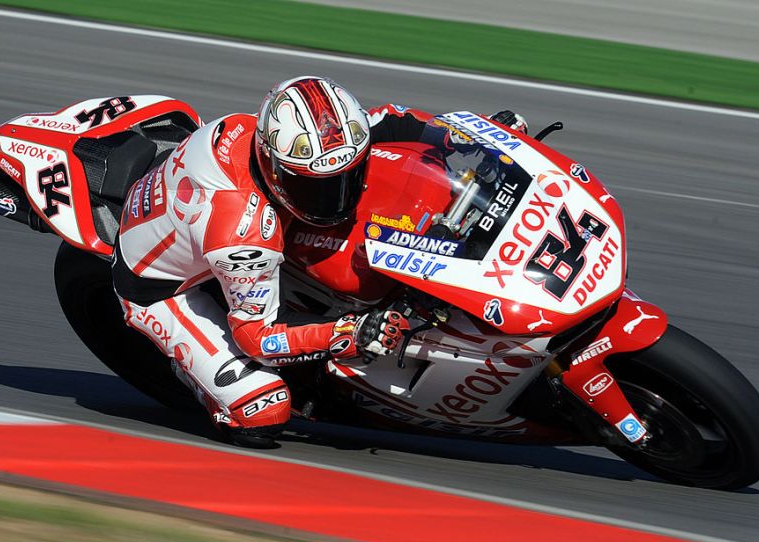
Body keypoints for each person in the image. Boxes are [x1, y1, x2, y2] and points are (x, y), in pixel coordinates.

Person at [112, 76, 527, 448]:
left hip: (213, 218)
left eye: (348, 175)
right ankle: (203, 382)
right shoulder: (245, 235)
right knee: (261, 412)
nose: (337, 198)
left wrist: (474, 138)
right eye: (317, 187)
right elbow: (257, 338)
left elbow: (394, 121)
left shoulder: (294, 132)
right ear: (276, 171)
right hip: (160, 289)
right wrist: (350, 333)